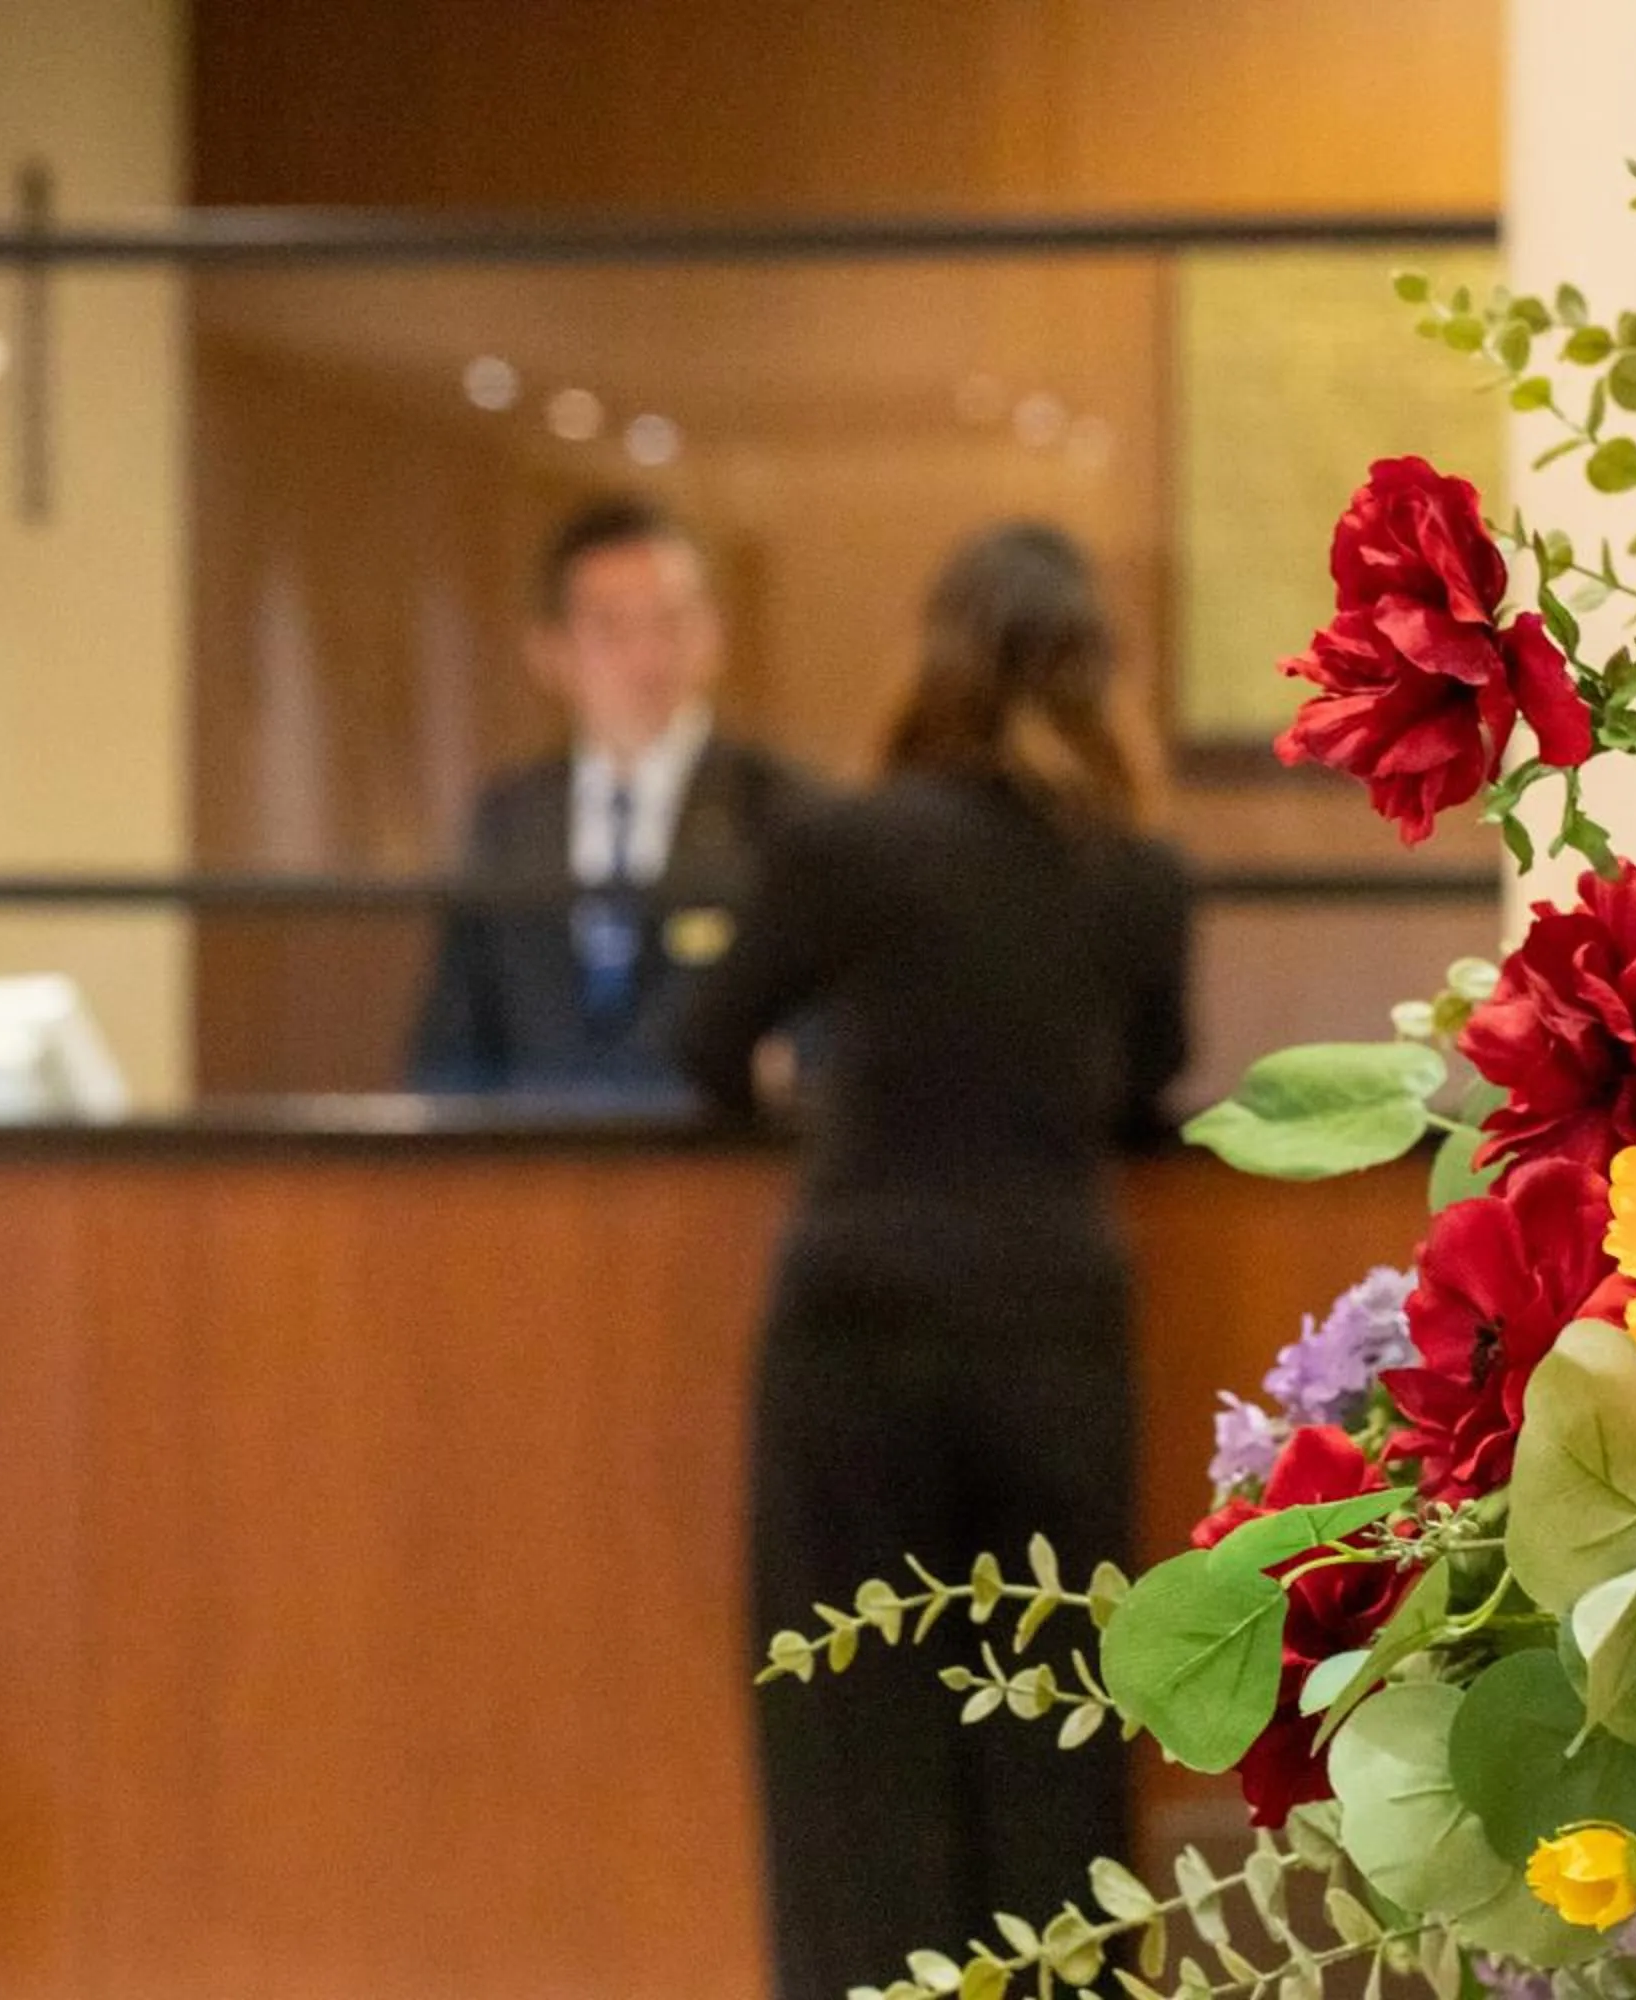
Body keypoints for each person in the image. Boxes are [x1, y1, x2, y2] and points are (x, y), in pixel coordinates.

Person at [676, 523, 1192, 2000]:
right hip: (1051, 1326)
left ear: (935, 658)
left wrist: (817, 1083)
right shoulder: (1136, 875)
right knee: (1057, 1735)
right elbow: (1146, 1081)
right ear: (1099, 676)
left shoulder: (847, 844)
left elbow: (705, 1043)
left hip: (858, 1327)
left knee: (856, 1736)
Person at [409, 496, 822, 1097]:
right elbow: (450, 1041)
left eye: (671, 622)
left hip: (714, 1164)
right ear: (551, 652)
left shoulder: (782, 809)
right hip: (537, 1170)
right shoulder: (509, 816)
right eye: (611, 628)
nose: (647, 657)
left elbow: (830, 1022)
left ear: (712, 636)